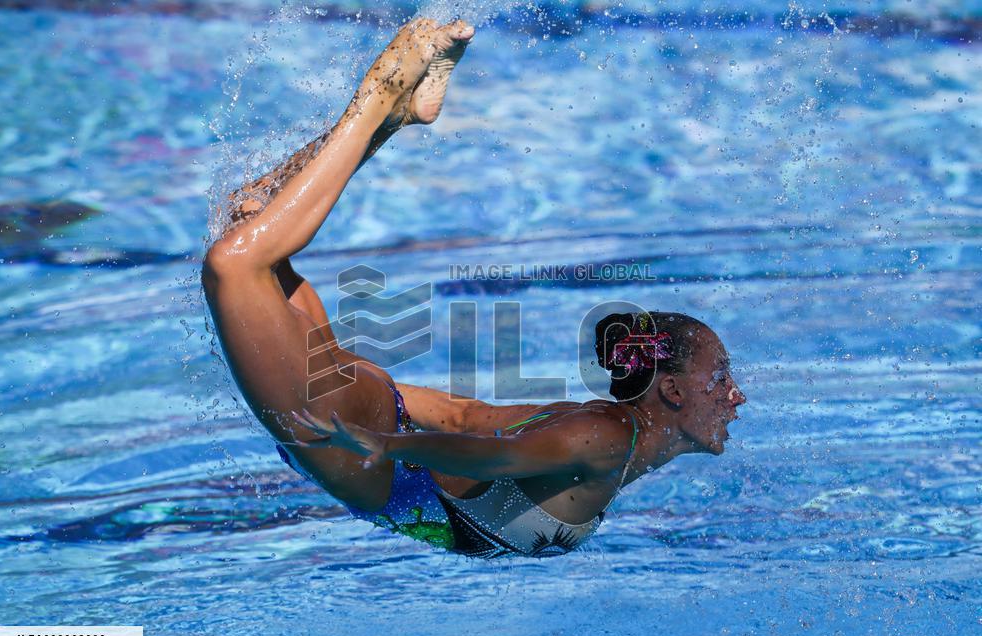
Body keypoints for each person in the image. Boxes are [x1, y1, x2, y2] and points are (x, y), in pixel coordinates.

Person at [202, 19, 747, 559]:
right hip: (369, 460)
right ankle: (378, 99)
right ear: (672, 391)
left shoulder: (602, 431)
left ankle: (395, 120)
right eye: (720, 377)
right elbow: (491, 459)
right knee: (236, 263)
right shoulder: (605, 435)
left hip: (377, 425)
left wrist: (367, 394)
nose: (735, 395)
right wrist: (381, 441)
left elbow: (467, 417)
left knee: (247, 221)